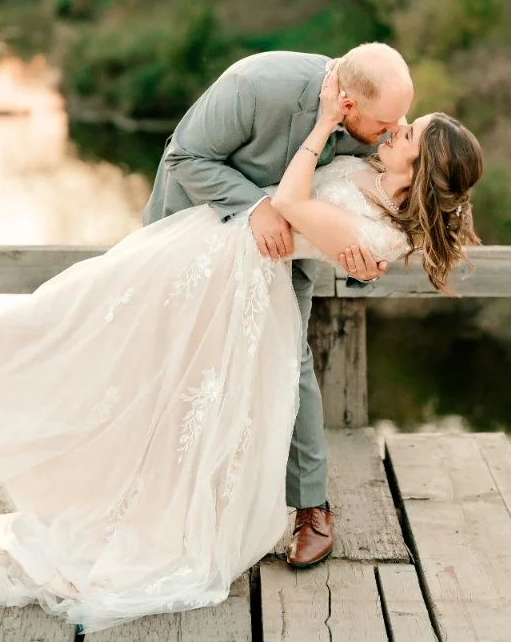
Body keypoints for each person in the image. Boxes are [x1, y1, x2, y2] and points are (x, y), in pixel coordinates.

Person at [0, 57, 483, 634]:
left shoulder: (374, 202)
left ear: (418, 167)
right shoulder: (279, 97)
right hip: (206, 249)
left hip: (237, 274)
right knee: (84, 315)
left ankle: (227, 507)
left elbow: (297, 203)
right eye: (396, 122)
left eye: (407, 131)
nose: (397, 128)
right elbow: (195, 159)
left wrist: (322, 143)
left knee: (179, 368)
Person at [143, 43, 415, 567]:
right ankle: (169, 495)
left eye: (400, 120)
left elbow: (368, 205)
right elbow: (184, 155)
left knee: (289, 360)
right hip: (197, 236)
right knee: (184, 361)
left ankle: (312, 506)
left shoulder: (378, 127)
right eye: (385, 123)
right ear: (349, 105)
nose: (394, 131)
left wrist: (361, 264)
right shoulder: (256, 85)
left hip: (283, 254)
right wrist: (256, 207)